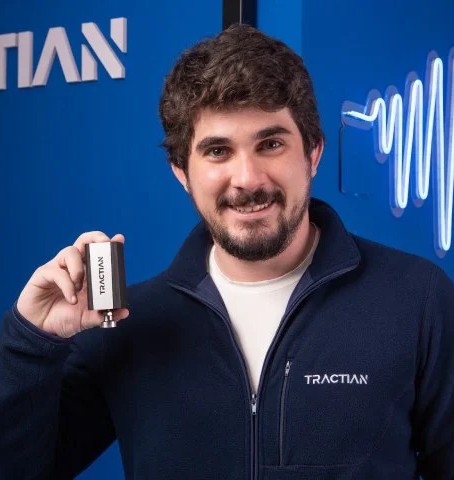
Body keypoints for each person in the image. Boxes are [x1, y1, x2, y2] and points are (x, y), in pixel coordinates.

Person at [1, 24, 453, 480]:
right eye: (218, 151)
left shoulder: (417, 300)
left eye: (270, 144)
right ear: (182, 172)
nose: (248, 179)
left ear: (313, 153)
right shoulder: (124, 328)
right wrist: (31, 342)